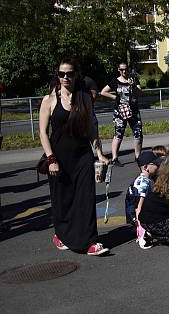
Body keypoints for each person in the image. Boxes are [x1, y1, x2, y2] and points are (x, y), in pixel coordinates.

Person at [39, 59, 108, 255]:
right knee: (63, 199)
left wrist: (100, 155)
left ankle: (90, 242)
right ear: (57, 76)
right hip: (59, 157)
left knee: (85, 198)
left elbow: (91, 129)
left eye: (69, 73)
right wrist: (51, 159)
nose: (66, 77)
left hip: (82, 155)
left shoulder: (84, 98)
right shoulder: (49, 100)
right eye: (62, 74)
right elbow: (43, 133)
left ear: (76, 75)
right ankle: (61, 235)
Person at [100, 62, 143, 167]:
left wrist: (133, 86)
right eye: (122, 69)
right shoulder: (115, 81)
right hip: (120, 111)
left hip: (133, 110)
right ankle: (115, 158)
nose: (124, 71)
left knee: (138, 133)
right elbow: (103, 92)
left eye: (126, 69)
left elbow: (140, 93)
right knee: (118, 134)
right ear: (118, 70)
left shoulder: (133, 79)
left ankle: (138, 157)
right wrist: (115, 98)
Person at [124, 150, 164, 249]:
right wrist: (139, 221)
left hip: (138, 212)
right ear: (146, 167)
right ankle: (143, 234)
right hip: (136, 213)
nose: (158, 166)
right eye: (155, 164)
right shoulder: (143, 182)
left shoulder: (146, 179)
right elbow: (139, 204)